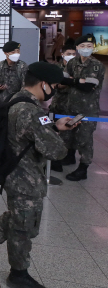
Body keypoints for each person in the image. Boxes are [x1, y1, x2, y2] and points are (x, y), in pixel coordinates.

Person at [0, 62, 78, 288]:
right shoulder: (30, 111)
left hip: (14, 171)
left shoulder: (19, 99)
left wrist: (54, 128)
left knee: (18, 215)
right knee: (23, 227)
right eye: (55, 86)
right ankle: (19, 274)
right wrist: (62, 132)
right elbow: (56, 151)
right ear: (44, 84)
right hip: (24, 177)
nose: (56, 90)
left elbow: (34, 135)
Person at [60, 34, 105, 181]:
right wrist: (78, 80)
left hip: (87, 109)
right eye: (83, 46)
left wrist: (73, 80)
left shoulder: (96, 65)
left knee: (84, 138)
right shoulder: (72, 62)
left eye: (89, 46)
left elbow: (88, 86)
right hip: (71, 105)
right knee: (69, 133)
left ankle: (83, 167)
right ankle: (70, 157)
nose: (86, 49)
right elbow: (63, 79)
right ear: (77, 48)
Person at [49, 44, 76, 172]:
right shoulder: (57, 67)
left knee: (70, 132)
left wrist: (70, 81)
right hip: (58, 103)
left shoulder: (77, 68)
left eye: (73, 54)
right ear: (63, 54)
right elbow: (56, 84)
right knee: (57, 131)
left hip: (73, 104)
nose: (71, 56)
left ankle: (69, 156)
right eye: (69, 54)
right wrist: (71, 82)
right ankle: (57, 160)